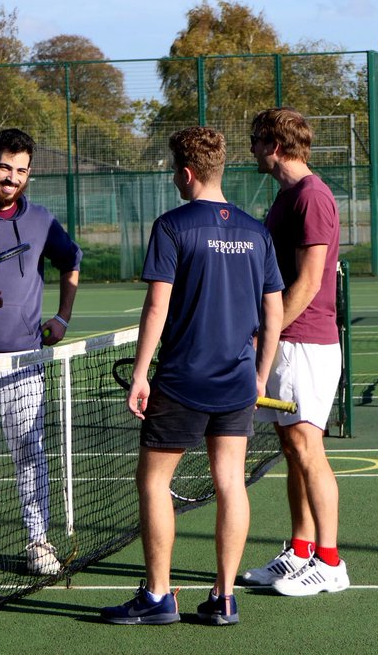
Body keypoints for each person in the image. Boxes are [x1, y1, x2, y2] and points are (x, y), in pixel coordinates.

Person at [100, 127, 283, 626]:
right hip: (238, 382)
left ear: (186, 173)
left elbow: (157, 304)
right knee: (231, 482)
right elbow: (275, 312)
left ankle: (159, 596)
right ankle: (224, 599)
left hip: (182, 379)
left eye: (174, 173)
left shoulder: (173, 226)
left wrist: (141, 374)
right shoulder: (256, 230)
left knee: (154, 482)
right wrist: (260, 375)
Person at [0, 128, 82, 577]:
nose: (12, 178)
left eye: (21, 170)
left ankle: (37, 541)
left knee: (30, 452)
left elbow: (71, 260)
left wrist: (62, 317)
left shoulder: (42, 220)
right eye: (5, 167)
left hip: (25, 359)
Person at [241, 107, 350, 596]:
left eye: (256, 140)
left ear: (275, 145)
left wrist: (267, 332)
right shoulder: (288, 195)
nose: (252, 149)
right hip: (288, 340)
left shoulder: (312, 197)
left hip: (307, 342)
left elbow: (308, 282)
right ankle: (302, 551)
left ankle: (330, 562)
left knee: (309, 448)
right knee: (292, 449)